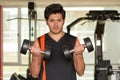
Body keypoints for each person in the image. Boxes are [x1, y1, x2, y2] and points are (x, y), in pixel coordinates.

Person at [29, 3, 85, 80]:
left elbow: (81, 72)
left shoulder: (74, 40)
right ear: (46, 21)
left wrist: (79, 55)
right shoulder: (40, 41)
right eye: (52, 20)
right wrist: (35, 57)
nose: (55, 25)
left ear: (63, 21)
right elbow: (34, 74)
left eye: (59, 20)